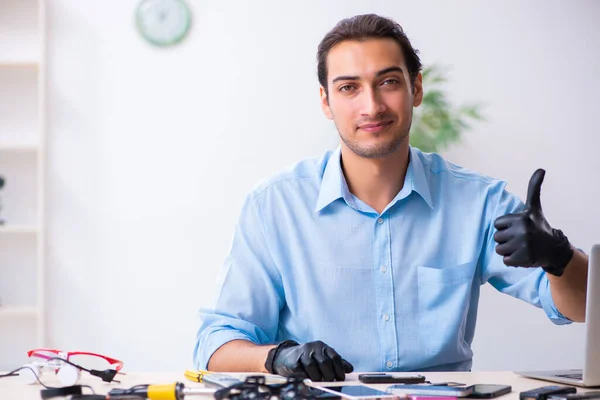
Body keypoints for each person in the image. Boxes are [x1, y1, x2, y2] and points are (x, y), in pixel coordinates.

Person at [193, 13, 588, 381]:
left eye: (388, 82)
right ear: (326, 102)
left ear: (416, 88)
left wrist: (559, 256)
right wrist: (277, 358)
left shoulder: (479, 201)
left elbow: (586, 306)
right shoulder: (274, 207)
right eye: (349, 88)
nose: (372, 106)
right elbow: (213, 346)